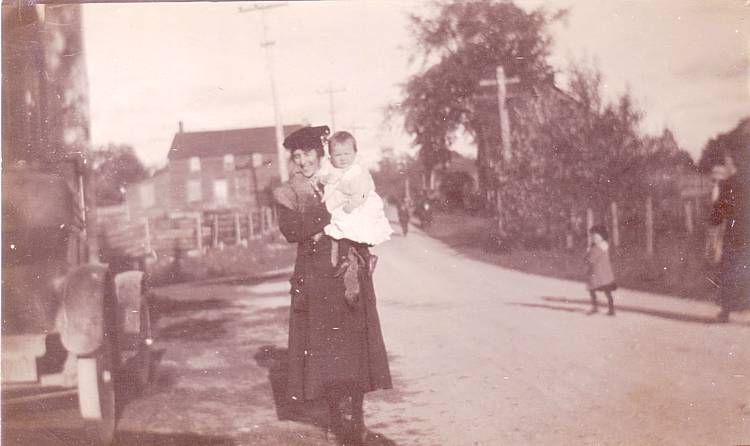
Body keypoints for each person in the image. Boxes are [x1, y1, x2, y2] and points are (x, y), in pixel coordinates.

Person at [272, 125, 392, 444]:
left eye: (308, 154)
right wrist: (328, 208)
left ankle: (358, 424)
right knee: (326, 353)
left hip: (348, 274)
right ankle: (336, 425)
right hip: (315, 279)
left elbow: (364, 208)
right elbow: (293, 229)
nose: (302, 161)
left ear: (320, 153)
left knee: (356, 350)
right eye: (296, 156)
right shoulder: (288, 192)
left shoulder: (341, 175)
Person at [318, 131, 393, 276]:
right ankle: (345, 259)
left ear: (355, 153)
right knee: (342, 232)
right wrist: (325, 179)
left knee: (354, 231)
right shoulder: (333, 168)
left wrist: (352, 205)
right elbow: (326, 177)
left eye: (347, 154)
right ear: (331, 156)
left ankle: (367, 257)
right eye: (338, 155)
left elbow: (363, 191)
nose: (343, 159)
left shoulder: (357, 170)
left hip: (359, 205)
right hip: (345, 204)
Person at [709, 149, 749, 323]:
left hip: (735, 234)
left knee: (730, 270)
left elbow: (718, 214)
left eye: (728, 162)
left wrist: (713, 221)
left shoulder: (729, 184)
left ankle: (726, 310)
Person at [584, 225, 617, 316]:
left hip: (599, 273)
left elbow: (591, 259)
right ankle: (609, 308)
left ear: (602, 237)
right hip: (601, 273)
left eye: (596, 237)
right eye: (592, 237)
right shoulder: (600, 246)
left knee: (595, 290)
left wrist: (588, 253)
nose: (594, 239)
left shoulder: (599, 248)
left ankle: (598, 307)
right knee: (604, 291)